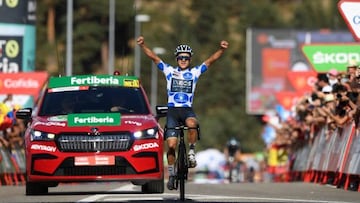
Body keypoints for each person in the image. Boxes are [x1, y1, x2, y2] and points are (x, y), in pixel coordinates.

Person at [137, 36, 229, 190]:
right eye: (181, 57)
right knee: (171, 146)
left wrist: (221, 49)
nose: (183, 60)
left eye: (186, 58)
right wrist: (143, 45)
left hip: (187, 109)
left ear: (190, 59)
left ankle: (191, 151)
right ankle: (172, 174)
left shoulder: (194, 73)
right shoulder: (169, 71)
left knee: (192, 124)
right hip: (173, 110)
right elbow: (154, 58)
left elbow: (210, 61)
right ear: (177, 59)